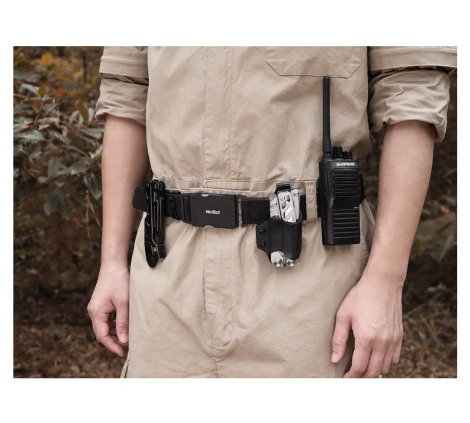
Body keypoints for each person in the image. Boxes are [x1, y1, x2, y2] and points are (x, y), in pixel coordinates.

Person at [87, 46, 457, 378]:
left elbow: (412, 95)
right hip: (166, 275)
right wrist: (112, 262)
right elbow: (126, 96)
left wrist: (385, 281)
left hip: (311, 285)